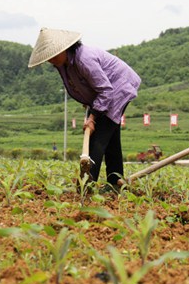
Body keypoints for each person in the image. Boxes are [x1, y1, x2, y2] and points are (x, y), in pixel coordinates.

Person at [28, 28, 141, 187]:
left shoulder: (84, 59)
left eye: (53, 55)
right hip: (103, 93)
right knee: (111, 137)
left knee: (99, 137)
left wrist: (93, 118)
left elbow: (105, 90)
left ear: (65, 49)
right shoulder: (63, 63)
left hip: (117, 88)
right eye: (48, 58)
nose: (51, 60)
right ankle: (115, 182)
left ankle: (86, 184)